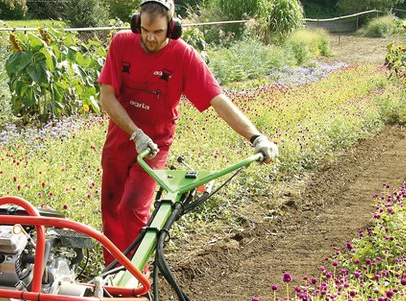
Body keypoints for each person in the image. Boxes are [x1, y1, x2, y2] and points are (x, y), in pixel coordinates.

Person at [98, 0, 278, 265]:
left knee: (132, 208)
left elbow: (217, 99)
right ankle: (112, 274)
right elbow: (107, 98)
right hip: (120, 138)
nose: (149, 37)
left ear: (172, 28)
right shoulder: (122, 43)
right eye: (145, 29)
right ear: (137, 23)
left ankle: (136, 280)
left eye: (157, 32)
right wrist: (135, 132)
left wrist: (256, 136)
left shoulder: (183, 56)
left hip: (154, 145)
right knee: (111, 209)